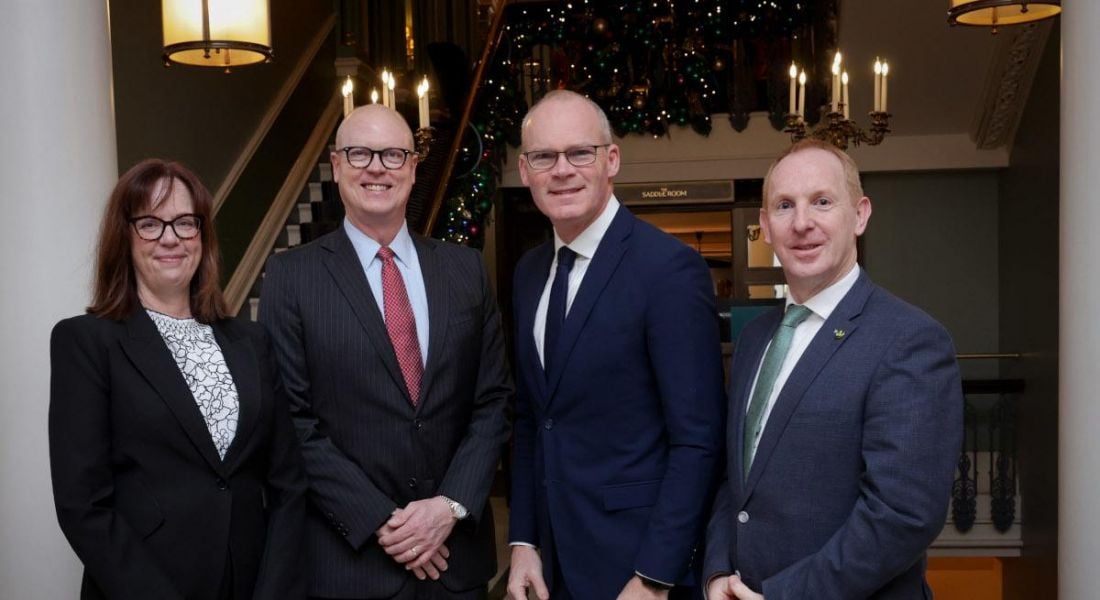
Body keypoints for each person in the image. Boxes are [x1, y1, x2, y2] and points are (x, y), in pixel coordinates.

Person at [259, 104, 512, 600]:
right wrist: (384, 521)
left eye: (394, 155)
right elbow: (292, 420)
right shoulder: (291, 278)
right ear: (336, 166)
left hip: (455, 563)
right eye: (360, 153)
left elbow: (494, 399)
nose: (377, 167)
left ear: (414, 168)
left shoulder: (464, 271)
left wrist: (448, 506)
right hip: (350, 564)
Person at [703, 140, 963, 599]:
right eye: (784, 206)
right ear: (764, 226)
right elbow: (736, 480)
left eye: (822, 202)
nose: (802, 223)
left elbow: (903, 515)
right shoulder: (754, 340)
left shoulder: (909, 340)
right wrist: (717, 572)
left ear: (860, 215)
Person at [49, 159, 307, 600]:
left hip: (252, 582)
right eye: (150, 223)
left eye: (185, 223)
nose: (170, 237)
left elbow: (288, 484)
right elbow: (84, 506)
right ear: (124, 237)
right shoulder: (86, 341)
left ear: (202, 237)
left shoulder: (251, 341)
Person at [506, 90, 726, 599]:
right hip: (551, 567)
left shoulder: (668, 269)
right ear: (525, 170)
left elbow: (698, 439)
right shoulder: (528, 272)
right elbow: (532, 419)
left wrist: (655, 575)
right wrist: (523, 541)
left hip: (638, 566)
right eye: (544, 156)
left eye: (579, 152)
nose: (562, 170)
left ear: (612, 160)